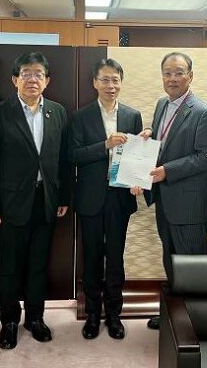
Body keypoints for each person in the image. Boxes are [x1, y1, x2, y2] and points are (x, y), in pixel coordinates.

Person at [0, 52, 70, 349]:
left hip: (46, 200)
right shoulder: (0, 112)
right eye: (27, 74)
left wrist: (63, 195)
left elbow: (63, 159)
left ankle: (35, 318)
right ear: (15, 80)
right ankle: (9, 321)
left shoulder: (57, 112)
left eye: (38, 74)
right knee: (9, 266)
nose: (33, 79)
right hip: (10, 204)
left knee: (38, 264)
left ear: (47, 81)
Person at [139, 52, 207, 330]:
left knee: (192, 265)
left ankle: (198, 323)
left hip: (190, 205)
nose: (172, 78)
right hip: (165, 200)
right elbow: (167, 141)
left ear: (190, 76)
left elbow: (206, 157)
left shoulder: (203, 112)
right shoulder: (162, 104)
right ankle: (175, 316)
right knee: (171, 260)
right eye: (167, 73)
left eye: (179, 72)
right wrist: (150, 135)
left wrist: (167, 171)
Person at [70, 59, 143, 340]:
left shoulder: (132, 115)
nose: (110, 85)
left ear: (121, 83)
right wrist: (105, 145)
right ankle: (92, 314)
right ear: (95, 83)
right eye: (105, 80)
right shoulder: (81, 116)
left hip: (119, 197)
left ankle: (114, 314)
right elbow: (73, 155)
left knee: (115, 258)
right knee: (91, 258)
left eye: (115, 80)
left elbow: (137, 156)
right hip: (90, 198)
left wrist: (138, 180)